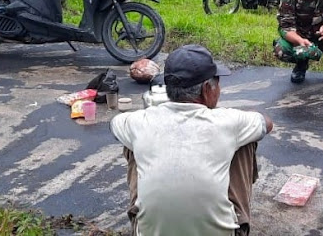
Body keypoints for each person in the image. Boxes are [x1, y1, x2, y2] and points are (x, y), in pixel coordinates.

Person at [110, 44, 273, 236]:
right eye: (217, 83)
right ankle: (237, 220)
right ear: (206, 89)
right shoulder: (229, 122)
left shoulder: (139, 121)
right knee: (246, 140)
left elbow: (115, 123)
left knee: (132, 142)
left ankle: (147, 215)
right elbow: (266, 124)